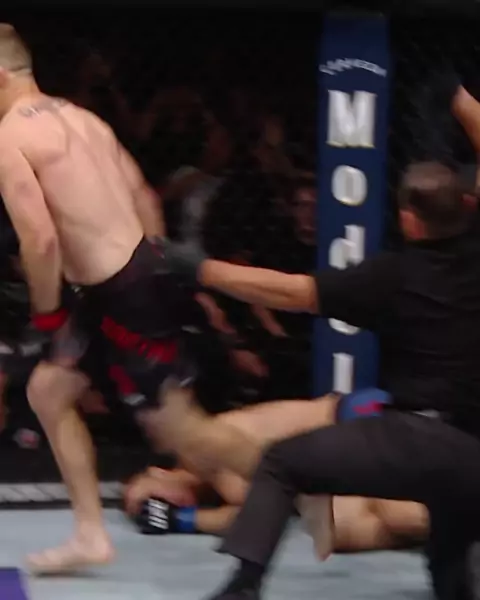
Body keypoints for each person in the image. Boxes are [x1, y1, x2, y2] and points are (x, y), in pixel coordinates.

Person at [0, 24, 257, 574]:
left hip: (123, 291)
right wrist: (150, 265)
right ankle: (90, 535)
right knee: (49, 390)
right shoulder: (84, 119)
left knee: (184, 431)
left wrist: (47, 313)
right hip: (121, 282)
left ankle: (308, 482)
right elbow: (142, 194)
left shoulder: (10, 137)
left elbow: (39, 240)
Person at [162, 161, 480, 600]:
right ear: (467, 207)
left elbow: (290, 293)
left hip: (409, 439)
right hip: (471, 453)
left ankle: (242, 587)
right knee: (450, 555)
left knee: (281, 462)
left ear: (408, 219)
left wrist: (200, 269)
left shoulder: (391, 275)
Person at [124, 392, 428, 554]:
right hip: (345, 441)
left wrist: (181, 520)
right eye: (148, 508)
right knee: (341, 530)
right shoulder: (213, 482)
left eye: (150, 497)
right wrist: (181, 518)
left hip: (355, 419)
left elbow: (256, 513)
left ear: (157, 472)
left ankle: (445, 520)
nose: (158, 505)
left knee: (392, 516)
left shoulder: (197, 448)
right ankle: (439, 524)